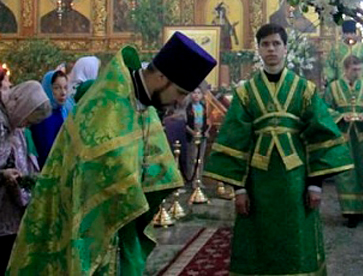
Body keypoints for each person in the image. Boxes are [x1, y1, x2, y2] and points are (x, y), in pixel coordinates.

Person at [8, 32, 217, 274]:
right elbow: (92, 175)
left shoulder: (144, 106)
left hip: (122, 231)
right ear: (161, 77)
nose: (180, 102)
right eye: (180, 93)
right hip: (88, 230)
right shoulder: (106, 104)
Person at [205, 24, 352, 276]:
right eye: (265, 44)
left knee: (296, 239)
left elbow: (320, 135)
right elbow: (235, 140)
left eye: (276, 43)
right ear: (259, 49)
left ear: (285, 49)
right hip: (257, 183)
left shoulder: (304, 90)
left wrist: (316, 184)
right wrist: (239, 190)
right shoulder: (245, 93)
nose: (271, 49)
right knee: (258, 240)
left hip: (295, 181)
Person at [324, 55, 363, 228]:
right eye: (354, 69)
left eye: (359, 69)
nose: (358, 72)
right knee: (346, 174)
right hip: (343, 136)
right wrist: (341, 116)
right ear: (346, 68)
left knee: (362, 171)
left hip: (362, 137)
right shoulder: (333, 88)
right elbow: (325, 108)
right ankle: (349, 211)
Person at [0, 81, 51, 273]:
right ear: (21, 106)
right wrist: (2, 174)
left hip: (8, 214)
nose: (24, 125)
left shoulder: (13, 127)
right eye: (27, 120)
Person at [29, 69, 72, 165]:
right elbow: (47, 150)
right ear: (47, 88)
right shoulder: (42, 116)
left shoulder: (63, 111)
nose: (63, 93)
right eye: (57, 88)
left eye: (65, 88)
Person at [184, 87, 209, 182]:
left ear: (202, 95)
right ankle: (191, 179)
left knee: (200, 158)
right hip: (192, 135)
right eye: (194, 92)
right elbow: (185, 124)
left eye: (198, 93)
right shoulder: (189, 107)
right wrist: (192, 132)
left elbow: (206, 121)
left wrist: (205, 131)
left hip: (202, 135)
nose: (196, 95)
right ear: (191, 95)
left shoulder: (203, 107)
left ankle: (199, 180)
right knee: (192, 158)